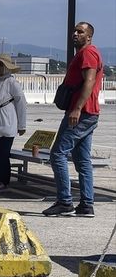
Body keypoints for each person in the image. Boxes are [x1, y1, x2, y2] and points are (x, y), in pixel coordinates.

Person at [44, 22, 102, 217]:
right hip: (89, 112)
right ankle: (86, 204)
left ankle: (65, 201)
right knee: (82, 159)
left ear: (89, 36)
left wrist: (77, 108)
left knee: (57, 154)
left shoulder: (88, 53)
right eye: (75, 31)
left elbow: (90, 80)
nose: (75, 34)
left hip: (82, 112)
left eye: (80, 32)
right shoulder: (83, 53)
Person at [0, 57, 27, 190]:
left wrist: (22, 125)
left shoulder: (12, 82)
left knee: (3, 154)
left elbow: (21, 103)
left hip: (7, 121)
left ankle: (2, 181)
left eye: (0, 65)